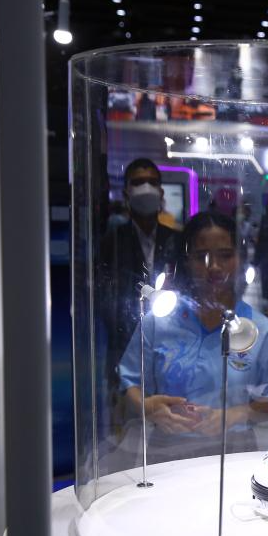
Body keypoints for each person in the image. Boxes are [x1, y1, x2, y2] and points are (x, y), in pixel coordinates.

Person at [118, 210, 268, 459]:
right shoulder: (159, 322)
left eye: (225, 255)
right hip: (165, 452)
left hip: (234, 452)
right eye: (201, 257)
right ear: (186, 261)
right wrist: (147, 406)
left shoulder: (260, 330)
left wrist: (238, 413)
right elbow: (129, 381)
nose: (214, 267)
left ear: (240, 259)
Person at [98, 159, 183, 411]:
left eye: (152, 182)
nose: (146, 188)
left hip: (170, 350)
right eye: (138, 182)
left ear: (161, 192)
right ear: (126, 193)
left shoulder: (177, 241)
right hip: (124, 349)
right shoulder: (110, 243)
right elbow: (105, 300)